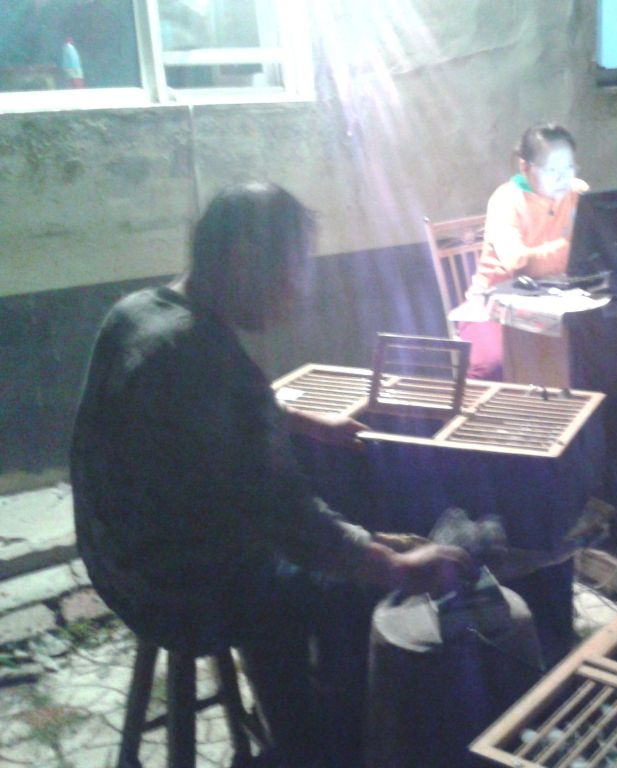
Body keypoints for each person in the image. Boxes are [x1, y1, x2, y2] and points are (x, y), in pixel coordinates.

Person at [71, 182, 471, 767]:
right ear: (243, 259)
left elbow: (203, 414)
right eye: (293, 269)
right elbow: (289, 517)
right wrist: (392, 565)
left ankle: (295, 718)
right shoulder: (201, 356)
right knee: (339, 589)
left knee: (308, 545)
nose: (298, 291)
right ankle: (317, 745)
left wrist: (305, 422)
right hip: (171, 589)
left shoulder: (141, 311)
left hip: (111, 555)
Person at [459, 122, 589, 380]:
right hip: (495, 306)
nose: (563, 178)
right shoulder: (506, 200)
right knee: (493, 364)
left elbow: (594, 245)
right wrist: (574, 247)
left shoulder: (577, 193)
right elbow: (520, 265)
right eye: (552, 170)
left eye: (569, 168)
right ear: (525, 167)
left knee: (597, 349)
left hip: (554, 301)